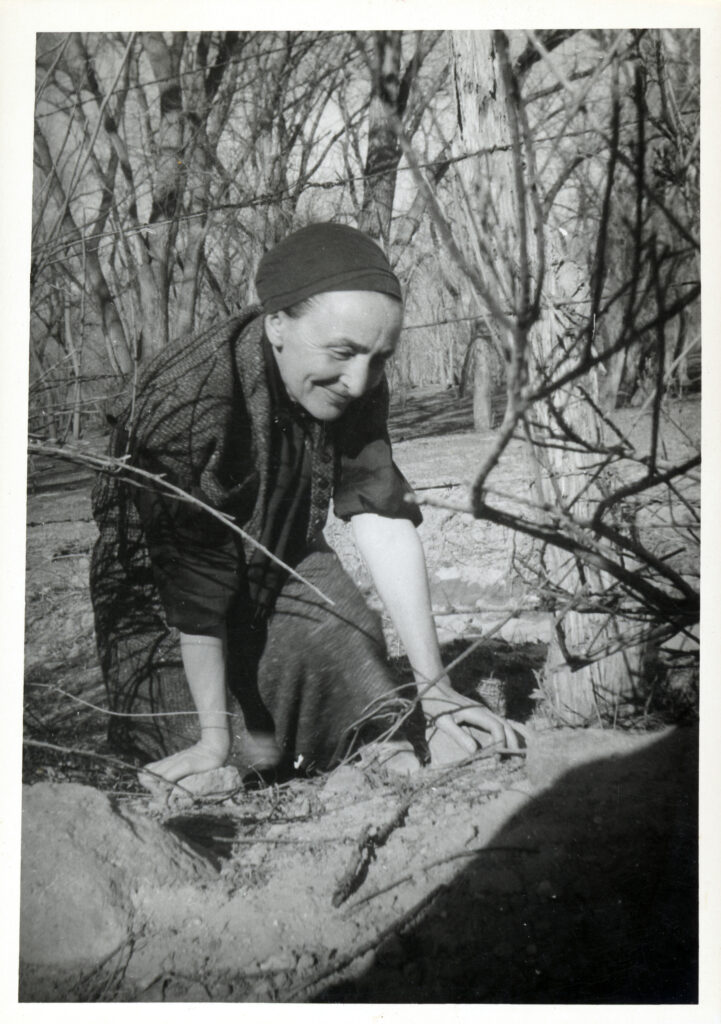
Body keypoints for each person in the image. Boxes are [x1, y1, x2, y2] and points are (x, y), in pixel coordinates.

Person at [90, 222, 523, 786]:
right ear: (277, 324)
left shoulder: (355, 375)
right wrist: (212, 741)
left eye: (380, 357)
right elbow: (192, 580)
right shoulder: (189, 393)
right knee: (247, 754)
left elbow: (379, 511)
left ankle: (359, 737)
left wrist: (437, 692)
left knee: (355, 659)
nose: (360, 380)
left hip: (279, 563)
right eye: (343, 351)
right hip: (161, 608)